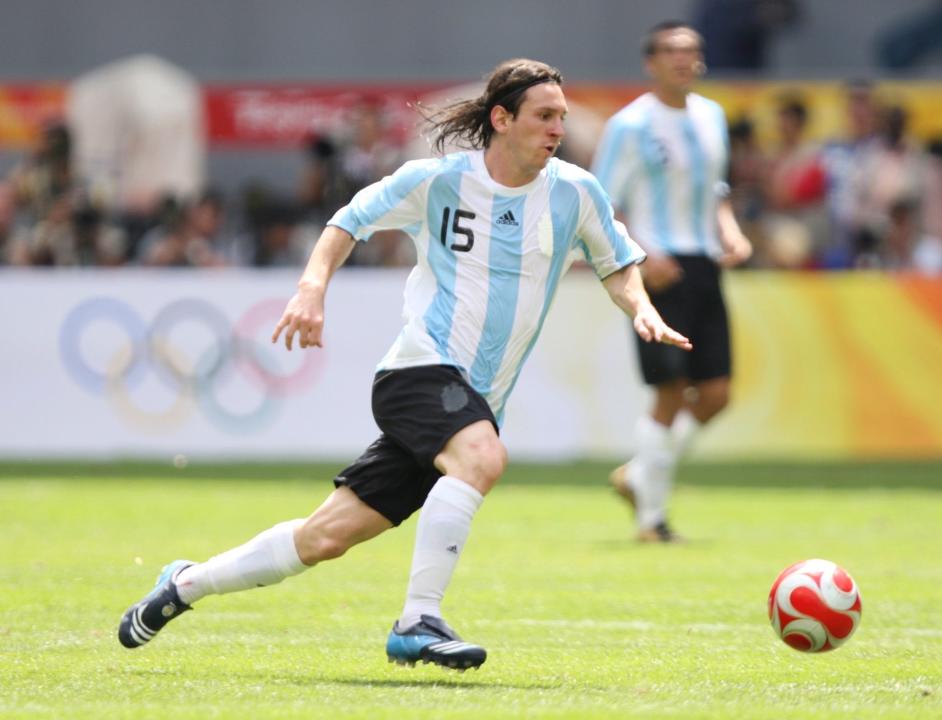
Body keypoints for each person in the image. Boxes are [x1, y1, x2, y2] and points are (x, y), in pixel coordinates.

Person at [117, 58, 690, 670]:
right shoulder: (437, 180)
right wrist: (311, 289)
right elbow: (349, 220)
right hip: (419, 372)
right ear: (502, 118)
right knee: (483, 457)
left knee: (324, 538)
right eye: (544, 116)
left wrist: (641, 308)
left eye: (562, 118)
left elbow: (616, 263)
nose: (557, 129)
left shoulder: (577, 193)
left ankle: (183, 584)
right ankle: (418, 620)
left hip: (474, 400)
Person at [591, 22, 752, 543]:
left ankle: (640, 473)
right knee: (667, 393)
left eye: (692, 51)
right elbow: (601, 203)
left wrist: (730, 230)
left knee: (717, 393)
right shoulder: (631, 125)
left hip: (703, 263)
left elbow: (717, 188)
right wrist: (640, 254)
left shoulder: (712, 116)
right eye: (672, 52)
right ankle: (651, 522)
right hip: (658, 269)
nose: (684, 60)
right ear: (651, 62)